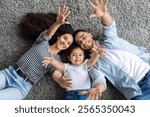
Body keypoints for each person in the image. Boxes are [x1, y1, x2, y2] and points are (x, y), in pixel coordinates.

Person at [73, 0, 150, 100]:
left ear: (90, 34)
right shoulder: (92, 64)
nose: (83, 42)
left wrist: (103, 14)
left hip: (147, 70)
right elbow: (99, 79)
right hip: (136, 91)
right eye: (79, 42)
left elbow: (109, 26)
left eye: (83, 37)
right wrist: (97, 89)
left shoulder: (108, 39)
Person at [0, 6, 74, 100]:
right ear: (59, 37)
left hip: (21, 87)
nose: (65, 42)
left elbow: (56, 73)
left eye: (68, 43)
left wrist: (60, 80)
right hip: (9, 73)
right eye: (65, 38)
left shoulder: (57, 61)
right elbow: (48, 34)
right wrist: (58, 23)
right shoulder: (42, 42)